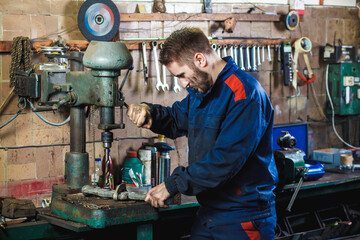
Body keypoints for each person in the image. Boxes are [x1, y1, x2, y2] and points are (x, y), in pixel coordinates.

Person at [127, 27, 278, 239]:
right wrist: (149, 113)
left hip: (243, 216)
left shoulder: (243, 94)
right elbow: (175, 119)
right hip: (209, 213)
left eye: (182, 75)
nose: (183, 83)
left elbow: (224, 161)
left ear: (199, 59)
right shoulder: (202, 91)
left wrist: (173, 184)